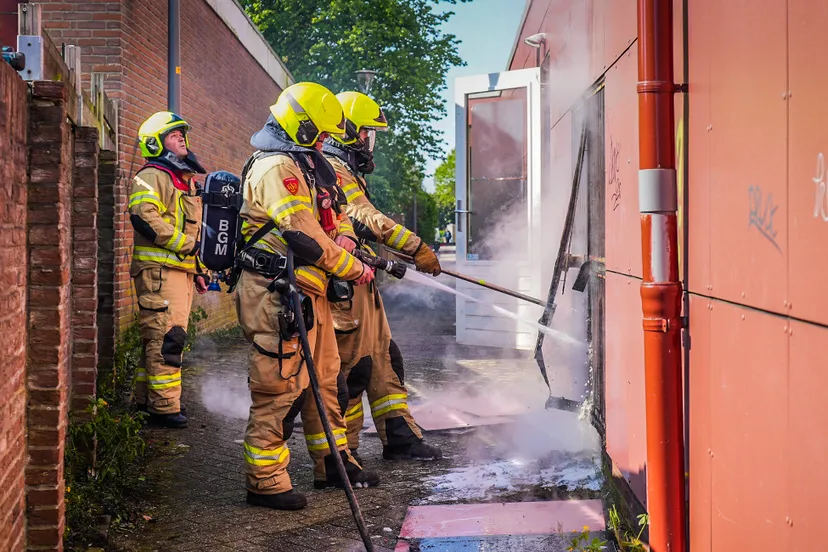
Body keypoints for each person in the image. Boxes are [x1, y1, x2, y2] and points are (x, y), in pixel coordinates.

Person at [236, 82, 380, 511]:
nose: (323, 141)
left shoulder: (305, 164)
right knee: (280, 387)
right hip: (274, 294)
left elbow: (333, 219)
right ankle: (264, 480)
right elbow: (303, 235)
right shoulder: (275, 168)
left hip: (307, 292)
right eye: (318, 132)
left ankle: (333, 463)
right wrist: (353, 267)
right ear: (299, 127)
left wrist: (347, 239)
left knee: (327, 381)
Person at [321, 90, 443, 462]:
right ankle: (345, 451)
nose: (369, 143)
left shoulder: (341, 170)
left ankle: (400, 436)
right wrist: (415, 246)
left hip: (359, 285)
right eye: (367, 133)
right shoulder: (332, 168)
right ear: (351, 132)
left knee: (385, 358)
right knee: (353, 371)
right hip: (343, 289)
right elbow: (364, 217)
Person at [129, 111, 209, 429]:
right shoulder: (150, 176)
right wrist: (186, 248)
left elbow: (193, 231)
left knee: (158, 338)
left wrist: (198, 268)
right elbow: (143, 215)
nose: (182, 138)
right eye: (174, 135)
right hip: (159, 271)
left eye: (182, 134)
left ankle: (145, 400)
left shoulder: (181, 180)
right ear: (155, 143)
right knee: (168, 339)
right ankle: (163, 408)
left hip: (178, 271)